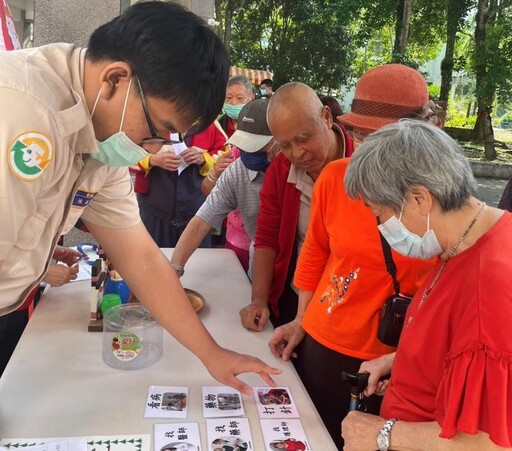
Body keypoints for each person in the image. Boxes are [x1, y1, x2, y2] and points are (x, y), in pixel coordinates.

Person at [0, 1, 279, 394]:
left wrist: (213, 355)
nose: (153, 149)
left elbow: (142, 257)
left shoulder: (100, 141)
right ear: (116, 79)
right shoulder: (21, 116)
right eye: (158, 131)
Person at [267, 65, 439, 449]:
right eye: (361, 134)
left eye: (380, 136)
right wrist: (299, 322)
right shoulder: (335, 178)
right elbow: (314, 255)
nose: (367, 148)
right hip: (323, 344)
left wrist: (411, 356)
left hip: (393, 359)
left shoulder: (437, 200)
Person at [342, 119, 512, 450]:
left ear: (419, 199)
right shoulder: (463, 240)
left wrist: (380, 434)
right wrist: (399, 361)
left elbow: (491, 441)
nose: (382, 226)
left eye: (382, 213)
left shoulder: (490, 282)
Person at [239, 82, 354, 332]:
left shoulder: (360, 164)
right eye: (285, 145)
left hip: (347, 303)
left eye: (303, 138)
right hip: (294, 293)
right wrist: (258, 300)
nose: (298, 153)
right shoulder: (280, 170)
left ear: (326, 117)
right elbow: (267, 236)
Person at [171, 99, 278, 276]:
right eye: (245, 145)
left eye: (256, 146)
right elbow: (202, 221)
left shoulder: (296, 170)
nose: (248, 152)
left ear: (278, 140)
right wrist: (175, 267)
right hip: (257, 261)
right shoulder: (237, 170)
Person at [131, 120, 227, 247]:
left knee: (196, 262)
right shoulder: (150, 118)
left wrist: (204, 159)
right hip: (155, 211)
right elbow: (124, 154)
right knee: (153, 258)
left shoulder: (209, 124)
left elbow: (226, 157)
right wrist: (151, 160)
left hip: (196, 212)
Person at [0, 245, 81, 375]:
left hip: (19, 301)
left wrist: (45, 249)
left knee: (14, 360)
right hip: (6, 304)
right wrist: (41, 272)